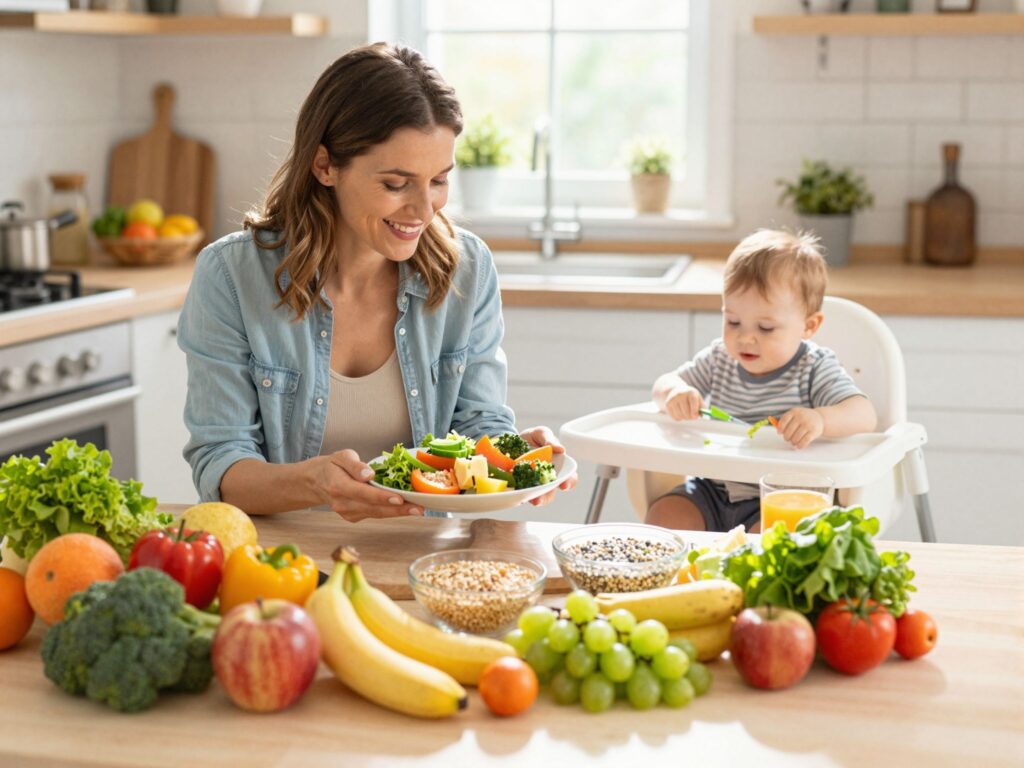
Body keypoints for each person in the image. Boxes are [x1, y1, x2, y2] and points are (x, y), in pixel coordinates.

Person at [177, 43, 575, 521]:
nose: (424, 210)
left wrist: (510, 455)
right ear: (325, 166)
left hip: (422, 551)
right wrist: (315, 484)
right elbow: (221, 465)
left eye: (438, 180)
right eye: (396, 184)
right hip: (284, 557)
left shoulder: (466, 269)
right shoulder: (232, 276)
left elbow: (476, 424)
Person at [646, 229, 877, 533]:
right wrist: (675, 392)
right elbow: (663, 384)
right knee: (665, 514)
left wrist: (820, 419)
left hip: (784, 496)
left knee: (774, 538)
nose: (745, 337)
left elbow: (864, 415)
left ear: (809, 326)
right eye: (733, 321)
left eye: (766, 328)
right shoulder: (719, 359)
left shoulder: (813, 367)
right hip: (713, 489)